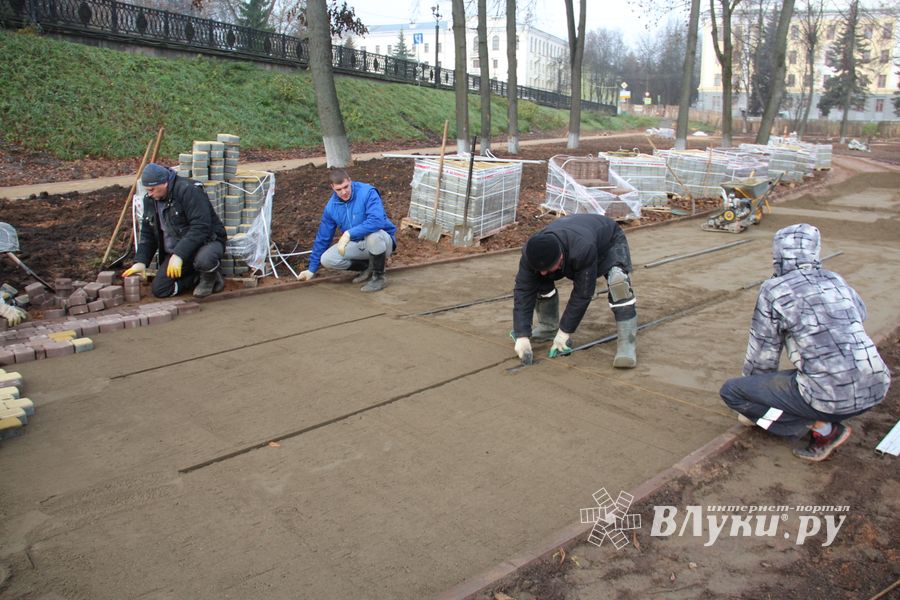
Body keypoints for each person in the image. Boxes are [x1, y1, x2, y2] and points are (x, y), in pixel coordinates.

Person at [720, 223, 890, 462]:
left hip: (829, 398)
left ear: (778, 254)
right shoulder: (835, 279)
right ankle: (822, 415)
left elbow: (763, 352)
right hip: (876, 386)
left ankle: (823, 429)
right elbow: (859, 315)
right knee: (814, 371)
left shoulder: (775, 289)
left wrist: (753, 398)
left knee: (732, 392)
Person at [512, 214, 637, 368]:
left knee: (619, 284)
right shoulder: (532, 252)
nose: (544, 272)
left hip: (608, 240)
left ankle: (626, 345)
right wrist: (521, 334)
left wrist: (565, 331)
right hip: (577, 234)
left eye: (548, 268)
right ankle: (548, 327)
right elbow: (523, 290)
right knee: (539, 280)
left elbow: (583, 293)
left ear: (560, 258)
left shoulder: (581, 249)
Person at [123, 163, 227, 298]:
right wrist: (141, 262)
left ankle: (209, 278)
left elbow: (201, 227)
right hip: (179, 251)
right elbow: (148, 233)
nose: (150, 194)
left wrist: (179, 255)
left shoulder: (188, 190)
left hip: (206, 242)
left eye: (152, 189)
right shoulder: (150, 200)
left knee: (204, 259)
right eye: (147, 190)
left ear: (164, 183)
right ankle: (196, 277)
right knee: (160, 289)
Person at [298, 168, 397, 292]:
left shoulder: (367, 192)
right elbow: (323, 237)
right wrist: (311, 269)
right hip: (358, 243)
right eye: (339, 189)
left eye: (346, 187)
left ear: (350, 181)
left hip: (383, 242)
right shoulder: (331, 207)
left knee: (374, 236)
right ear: (332, 187)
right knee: (327, 259)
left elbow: (377, 221)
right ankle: (368, 267)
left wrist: (350, 233)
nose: (344, 192)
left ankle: (378, 278)